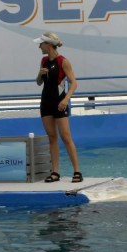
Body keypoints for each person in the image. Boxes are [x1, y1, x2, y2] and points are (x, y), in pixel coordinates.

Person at [34, 32, 82, 183]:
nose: (39, 46)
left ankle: (77, 171)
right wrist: (39, 74)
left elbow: (74, 83)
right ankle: (55, 172)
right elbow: (39, 82)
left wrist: (66, 100)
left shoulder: (63, 61)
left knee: (66, 137)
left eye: (41, 44)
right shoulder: (43, 61)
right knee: (52, 138)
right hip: (46, 103)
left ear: (48, 45)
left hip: (60, 103)